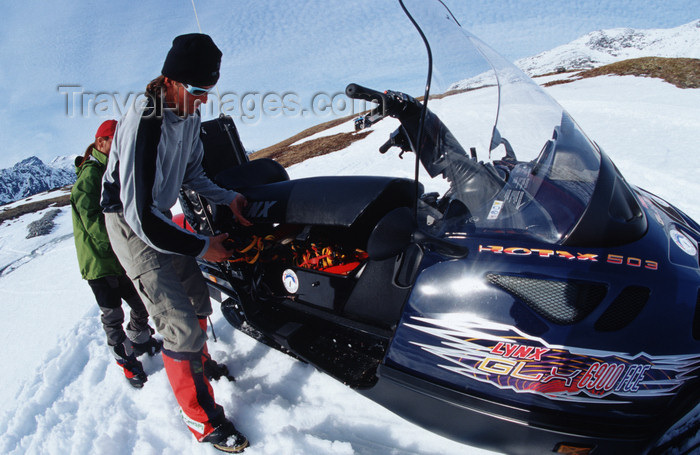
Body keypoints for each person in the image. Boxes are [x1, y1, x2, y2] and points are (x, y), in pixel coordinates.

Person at [101, 34, 251, 453]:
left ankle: (197, 364)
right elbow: (139, 216)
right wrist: (203, 247)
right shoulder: (144, 121)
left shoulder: (187, 118)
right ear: (170, 81)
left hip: (157, 217)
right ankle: (201, 420)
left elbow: (193, 176)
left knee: (199, 301)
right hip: (131, 224)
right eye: (199, 91)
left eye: (210, 92)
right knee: (179, 325)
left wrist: (230, 198)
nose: (204, 101)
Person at [70, 119, 163, 389]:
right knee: (112, 317)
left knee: (141, 303)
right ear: (101, 142)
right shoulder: (91, 174)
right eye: (115, 140)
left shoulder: (113, 169)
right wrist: (118, 244)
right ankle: (127, 362)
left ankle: (140, 340)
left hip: (119, 256)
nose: (121, 146)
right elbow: (92, 220)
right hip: (100, 264)